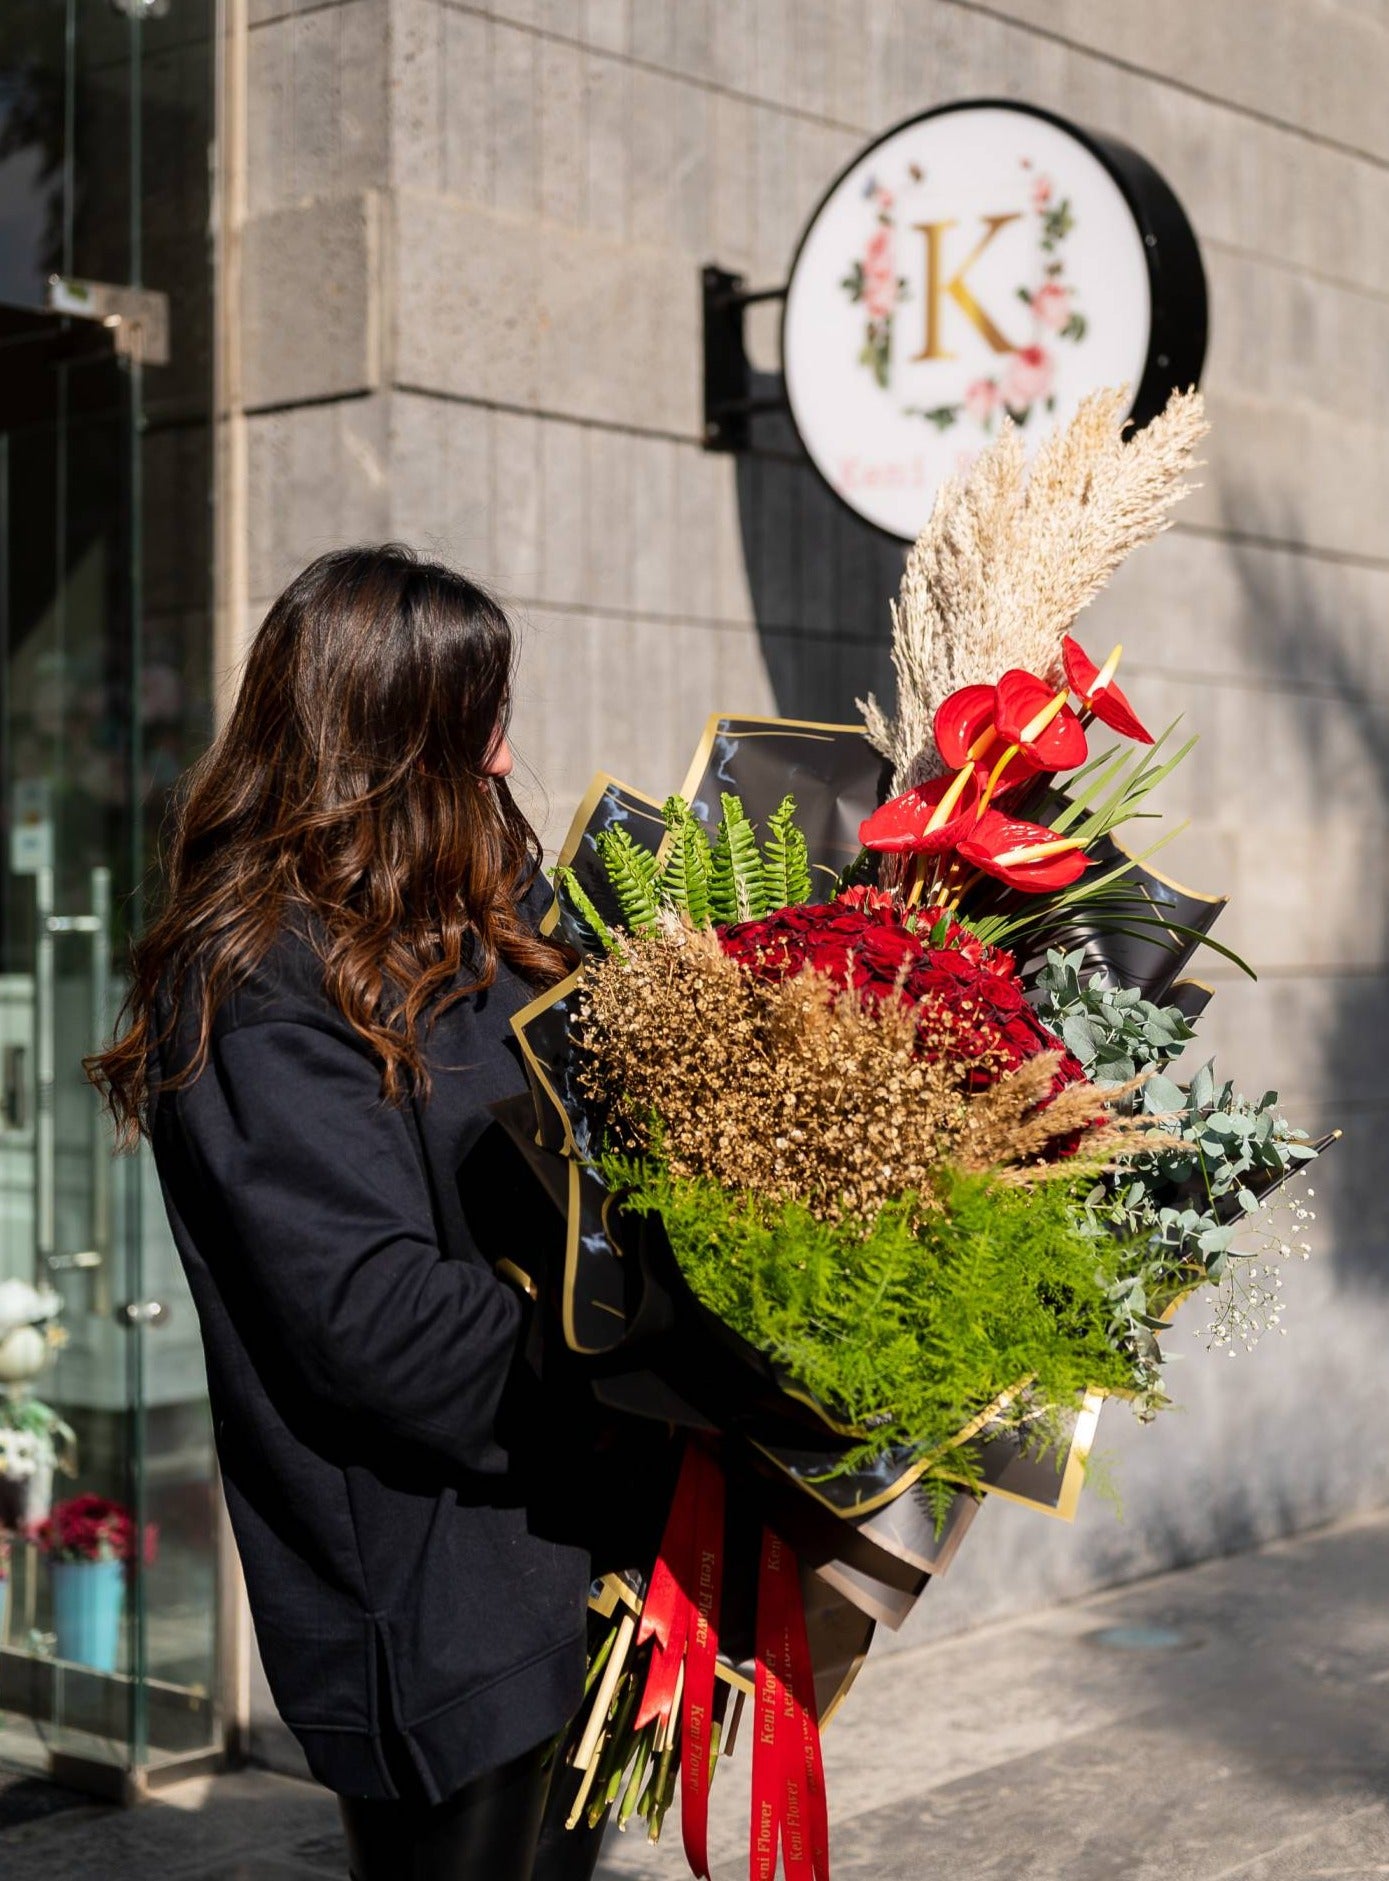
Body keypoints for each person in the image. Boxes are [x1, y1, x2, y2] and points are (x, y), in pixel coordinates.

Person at [88, 546, 608, 1880]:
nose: (505, 755)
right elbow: (370, 1318)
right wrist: (647, 1362)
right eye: (480, 715)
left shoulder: (475, 925)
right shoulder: (255, 977)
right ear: (394, 739)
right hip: (438, 1609)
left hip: (570, 1552)